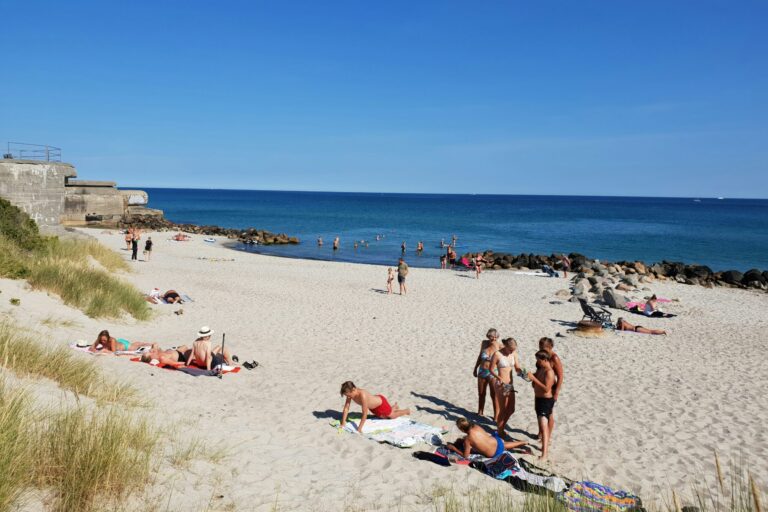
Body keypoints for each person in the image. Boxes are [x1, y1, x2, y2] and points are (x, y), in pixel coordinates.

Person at [339, 381, 410, 433]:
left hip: (381, 404)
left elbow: (364, 413)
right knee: (383, 417)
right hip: (373, 408)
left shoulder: (362, 395)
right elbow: (346, 408)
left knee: (391, 416)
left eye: (349, 395)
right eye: (346, 395)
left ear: (354, 389)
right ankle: (394, 407)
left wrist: (359, 428)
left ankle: (406, 411)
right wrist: (343, 422)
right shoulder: (350, 394)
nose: (348, 397)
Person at [446, 418, 528, 459]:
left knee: (502, 447)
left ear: (462, 429)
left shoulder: (468, 440)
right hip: (497, 442)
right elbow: (482, 438)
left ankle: (520, 443)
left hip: (494, 454)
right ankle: (521, 443)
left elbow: (466, 456)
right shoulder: (476, 426)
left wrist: (453, 448)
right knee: (503, 445)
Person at [527, 351, 556, 460]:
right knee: (542, 425)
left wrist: (534, 379)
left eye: (538, 360)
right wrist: (530, 378)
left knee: (544, 427)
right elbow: (535, 383)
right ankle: (544, 449)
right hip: (538, 399)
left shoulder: (549, 372)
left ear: (545, 360)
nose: (537, 362)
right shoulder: (541, 369)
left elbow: (547, 388)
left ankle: (544, 455)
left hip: (545, 401)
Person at [490, 337, 521, 436]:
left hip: (509, 384)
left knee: (511, 409)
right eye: (510, 349)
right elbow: (491, 369)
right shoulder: (497, 354)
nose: (512, 351)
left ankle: (501, 427)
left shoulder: (514, 354)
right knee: (503, 409)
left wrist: (523, 373)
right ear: (506, 346)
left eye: (514, 349)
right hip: (501, 384)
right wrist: (498, 377)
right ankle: (500, 431)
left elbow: (517, 368)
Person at [537, 337, 563, 448]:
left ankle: (548, 436)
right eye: (539, 347)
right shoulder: (543, 356)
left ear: (549, 347)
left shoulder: (554, 358)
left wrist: (556, 392)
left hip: (550, 389)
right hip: (540, 387)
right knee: (540, 412)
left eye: (542, 348)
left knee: (549, 413)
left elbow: (561, 376)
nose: (540, 349)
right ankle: (541, 432)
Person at [473, 329, 500, 418]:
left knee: (494, 395)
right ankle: (480, 412)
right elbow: (480, 356)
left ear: (497, 337)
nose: (492, 338)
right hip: (482, 371)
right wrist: (475, 368)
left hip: (493, 372)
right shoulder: (484, 343)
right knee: (481, 393)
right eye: (490, 336)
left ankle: (496, 415)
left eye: (493, 336)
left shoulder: (499, 345)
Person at [89, 329, 155, 353]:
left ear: (108, 338)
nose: (102, 341)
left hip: (124, 346)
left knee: (137, 347)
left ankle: (151, 344)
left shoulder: (112, 340)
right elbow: (92, 347)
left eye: (104, 340)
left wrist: (105, 350)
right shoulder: (99, 339)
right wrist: (93, 349)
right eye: (101, 340)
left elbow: (114, 352)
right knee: (134, 344)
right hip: (119, 341)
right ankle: (142, 343)